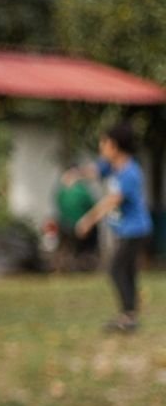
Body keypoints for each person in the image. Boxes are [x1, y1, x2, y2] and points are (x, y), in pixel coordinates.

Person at [65, 122, 152, 332]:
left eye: (104, 142)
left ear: (115, 146)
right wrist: (76, 174)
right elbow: (95, 170)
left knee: (116, 269)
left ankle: (128, 317)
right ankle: (129, 315)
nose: (101, 146)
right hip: (126, 229)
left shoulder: (130, 173)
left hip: (135, 230)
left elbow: (111, 201)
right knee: (127, 271)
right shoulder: (112, 166)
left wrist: (88, 220)